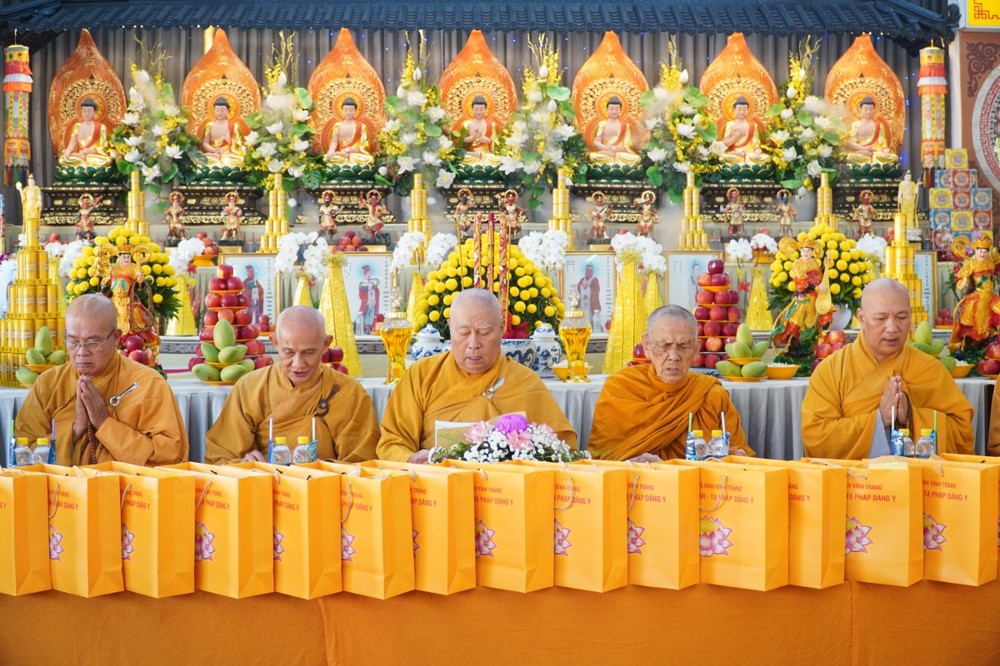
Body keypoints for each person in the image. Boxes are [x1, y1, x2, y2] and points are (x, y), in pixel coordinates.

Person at [377, 288, 577, 462]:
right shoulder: (422, 375)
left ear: (501, 328)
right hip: (436, 486)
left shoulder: (525, 382)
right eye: (464, 332)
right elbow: (393, 442)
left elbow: (561, 448)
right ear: (450, 327)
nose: (473, 344)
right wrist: (410, 459)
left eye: (484, 332)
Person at [802, 278, 974, 459]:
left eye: (901, 317)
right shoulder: (830, 371)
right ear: (862, 318)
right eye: (880, 318)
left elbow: (962, 433)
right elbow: (817, 438)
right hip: (853, 476)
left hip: (918, 476)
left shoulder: (929, 369)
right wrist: (880, 418)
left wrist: (910, 415)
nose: (892, 328)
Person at [15, 294, 188, 465]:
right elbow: (23, 456)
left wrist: (104, 423)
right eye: (73, 341)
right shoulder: (49, 384)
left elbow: (168, 457)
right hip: (61, 484)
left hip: (124, 483)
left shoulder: (148, 385)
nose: (81, 352)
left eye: (93, 342)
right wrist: (74, 429)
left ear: (115, 338)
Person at [205, 306, 379, 464]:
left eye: (309, 352)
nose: (298, 364)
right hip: (261, 485)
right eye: (288, 352)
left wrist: (322, 470)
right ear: (275, 343)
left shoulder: (348, 392)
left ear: (326, 344)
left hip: (325, 486)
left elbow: (363, 465)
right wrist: (244, 466)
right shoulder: (250, 387)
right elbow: (220, 457)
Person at [589, 305, 751, 461]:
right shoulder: (619, 388)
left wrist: (734, 457)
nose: (673, 356)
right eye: (664, 345)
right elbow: (601, 459)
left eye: (683, 346)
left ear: (696, 349)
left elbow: (740, 459)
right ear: (646, 345)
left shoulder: (712, 396)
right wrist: (632, 462)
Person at [771, 237, 834, 352]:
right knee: (798, 319)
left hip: (816, 296)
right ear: (800, 251)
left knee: (823, 313)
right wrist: (816, 287)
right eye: (804, 250)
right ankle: (793, 343)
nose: (806, 253)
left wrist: (826, 267)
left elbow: (819, 277)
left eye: (809, 251)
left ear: (812, 252)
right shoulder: (797, 264)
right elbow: (801, 281)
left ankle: (815, 342)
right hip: (803, 295)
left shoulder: (814, 262)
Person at [949, 236, 1000, 345]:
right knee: (980, 315)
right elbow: (960, 279)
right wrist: (964, 282)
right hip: (979, 294)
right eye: (980, 251)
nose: (983, 254)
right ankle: (980, 337)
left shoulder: (990, 259)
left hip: (991, 294)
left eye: (985, 252)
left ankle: (994, 333)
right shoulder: (971, 263)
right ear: (976, 250)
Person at [843, 96, 898, 166]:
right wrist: (864, 149)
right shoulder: (856, 124)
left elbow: (882, 142)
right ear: (860, 110)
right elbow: (850, 143)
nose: (868, 112)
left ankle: (872, 163)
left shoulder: (879, 125)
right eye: (866, 109)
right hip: (862, 153)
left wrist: (885, 149)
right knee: (849, 157)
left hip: (876, 152)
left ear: (873, 110)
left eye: (870, 109)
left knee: (894, 157)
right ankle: (875, 165)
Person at [59, 98, 113, 168]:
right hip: (80, 156)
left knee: (108, 160)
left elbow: (104, 147)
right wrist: (68, 151)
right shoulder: (77, 126)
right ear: (81, 111)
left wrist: (92, 151)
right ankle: (84, 162)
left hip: (93, 156)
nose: (87, 114)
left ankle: (83, 163)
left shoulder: (101, 127)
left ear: (95, 112)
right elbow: (72, 144)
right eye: (84, 111)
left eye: (89, 111)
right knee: (62, 160)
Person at [588, 96, 641, 166]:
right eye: (611, 109)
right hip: (606, 152)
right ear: (607, 110)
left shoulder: (625, 126)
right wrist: (606, 148)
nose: (614, 111)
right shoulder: (602, 124)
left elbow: (627, 144)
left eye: (617, 109)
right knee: (592, 156)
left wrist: (619, 149)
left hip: (620, 153)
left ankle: (610, 162)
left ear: (620, 110)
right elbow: (596, 142)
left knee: (637, 158)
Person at [323, 97, 374, 166]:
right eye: (346, 110)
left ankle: (346, 157)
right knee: (327, 158)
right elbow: (334, 142)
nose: (348, 113)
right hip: (341, 154)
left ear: (355, 111)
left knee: (369, 159)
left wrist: (353, 150)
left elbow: (365, 145)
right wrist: (331, 150)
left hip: (355, 154)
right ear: (342, 111)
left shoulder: (362, 126)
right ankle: (343, 156)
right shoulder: (337, 125)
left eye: (351, 110)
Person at [720, 97, 769, 166]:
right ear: (734, 110)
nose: (742, 112)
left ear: (748, 111)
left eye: (744, 109)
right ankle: (744, 160)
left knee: (766, 158)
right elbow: (725, 144)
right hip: (734, 153)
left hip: (749, 152)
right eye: (739, 109)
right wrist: (735, 138)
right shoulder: (730, 125)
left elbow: (756, 144)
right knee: (722, 157)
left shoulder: (753, 125)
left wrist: (757, 151)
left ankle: (744, 157)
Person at [201, 97, 245, 168]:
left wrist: (229, 140)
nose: (220, 113)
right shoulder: (209, 126)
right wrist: (214, 150)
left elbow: (239, 146)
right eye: (217, 110)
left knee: (239, 159)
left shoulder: (235, 126)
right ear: (214, 111)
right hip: (213, 154)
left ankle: (219, 164)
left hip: (228, 155)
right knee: (202, 159)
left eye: (222, 110)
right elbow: (205, 143)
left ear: (228, 111)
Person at [460, 95, 503, 167]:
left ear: (486, 110)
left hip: (486, 155)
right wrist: (472, 138)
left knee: (497, 159)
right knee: (462, 158)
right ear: (472, 110)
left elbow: (497, 144)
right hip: (471, 155)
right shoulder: (466, 124)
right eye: (476, 109)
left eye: (482, 109)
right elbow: (461, 142)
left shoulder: (492, 125)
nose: (479, 112)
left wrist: (488, 141)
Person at [577, 264, 601, 332]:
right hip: (583, 302)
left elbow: (597, 290)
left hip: (591, 303)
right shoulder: (582, 279)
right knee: (583, 316)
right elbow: (578, 289)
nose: (587, 272)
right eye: (586, 270)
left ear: (592, 272)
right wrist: (581, 286)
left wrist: (588, 286)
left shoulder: (595, 280)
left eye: (589, 271)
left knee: (591, 317)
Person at [358, 264, 380, 334]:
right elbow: (361, 294)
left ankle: (370, 327)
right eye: (368, 273)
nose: (369, 275)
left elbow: (376, 288)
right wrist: (368, 289)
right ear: (365, 273)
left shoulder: (371, 281)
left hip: (372, 302)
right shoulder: (362, 282)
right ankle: (365, 327)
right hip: (367, 303)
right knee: (366, 314)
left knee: (372, 314)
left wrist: (373, 287)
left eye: (369, 273)